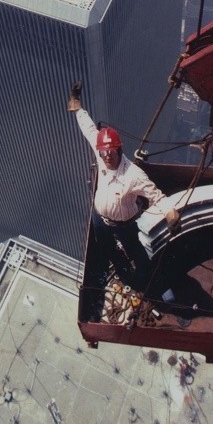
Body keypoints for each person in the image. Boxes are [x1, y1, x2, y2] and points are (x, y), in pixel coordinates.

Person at [67, 82, 180, 302]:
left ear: (119, 150)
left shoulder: (133, 175)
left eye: (111, 152)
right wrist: (77, 104)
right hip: (100, 218)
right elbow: (89, 129)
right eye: (104, 152)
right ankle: (123, 273)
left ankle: (150, 284)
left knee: (137, 253)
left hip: (124, 225)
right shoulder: (101, 154)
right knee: (108, 249)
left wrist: (171, 214)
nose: (107, 156)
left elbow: (155, 195)